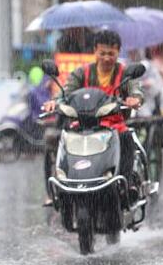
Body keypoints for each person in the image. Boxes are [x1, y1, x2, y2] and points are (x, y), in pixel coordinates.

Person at [44, 30, 144, 202]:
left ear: (118, 52)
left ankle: (126, 184)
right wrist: (55, 102)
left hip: (114, 124)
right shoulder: (81, 73)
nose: (106, 58)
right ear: (95, 51)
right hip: (83, 125)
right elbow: (65, 93)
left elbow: (136, 91)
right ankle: (59, 186)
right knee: (63, 138)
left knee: (126, 138)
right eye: (102, 53)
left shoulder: (125, 73)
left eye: (111, 54)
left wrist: (134, 99)